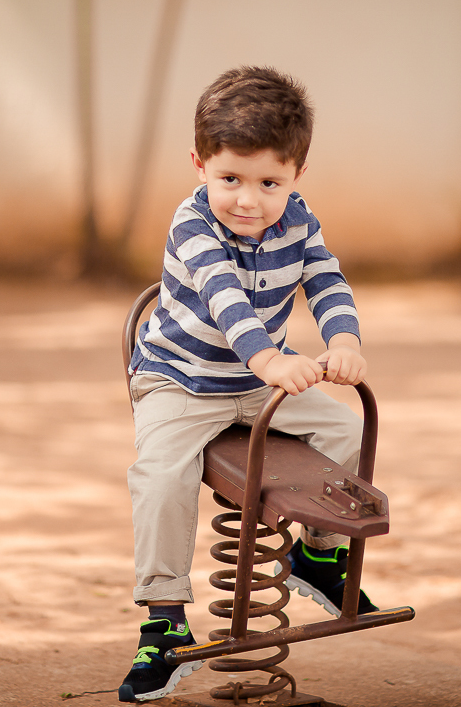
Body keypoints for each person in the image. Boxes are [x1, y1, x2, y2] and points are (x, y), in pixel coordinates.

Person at [119, 66, 377, 703]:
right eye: (229, 178)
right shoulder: (192, 225)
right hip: (179, 381)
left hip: (261, 382)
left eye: (269, 183)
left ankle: (318, 554)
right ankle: (164, 618)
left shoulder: (299, 221)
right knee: (160, 475)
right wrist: (271, 362)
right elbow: (225, 301)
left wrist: (344, 340)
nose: (247, 201)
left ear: (297, 175)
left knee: (346, 430)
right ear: (200, 164)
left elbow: (325, 280)